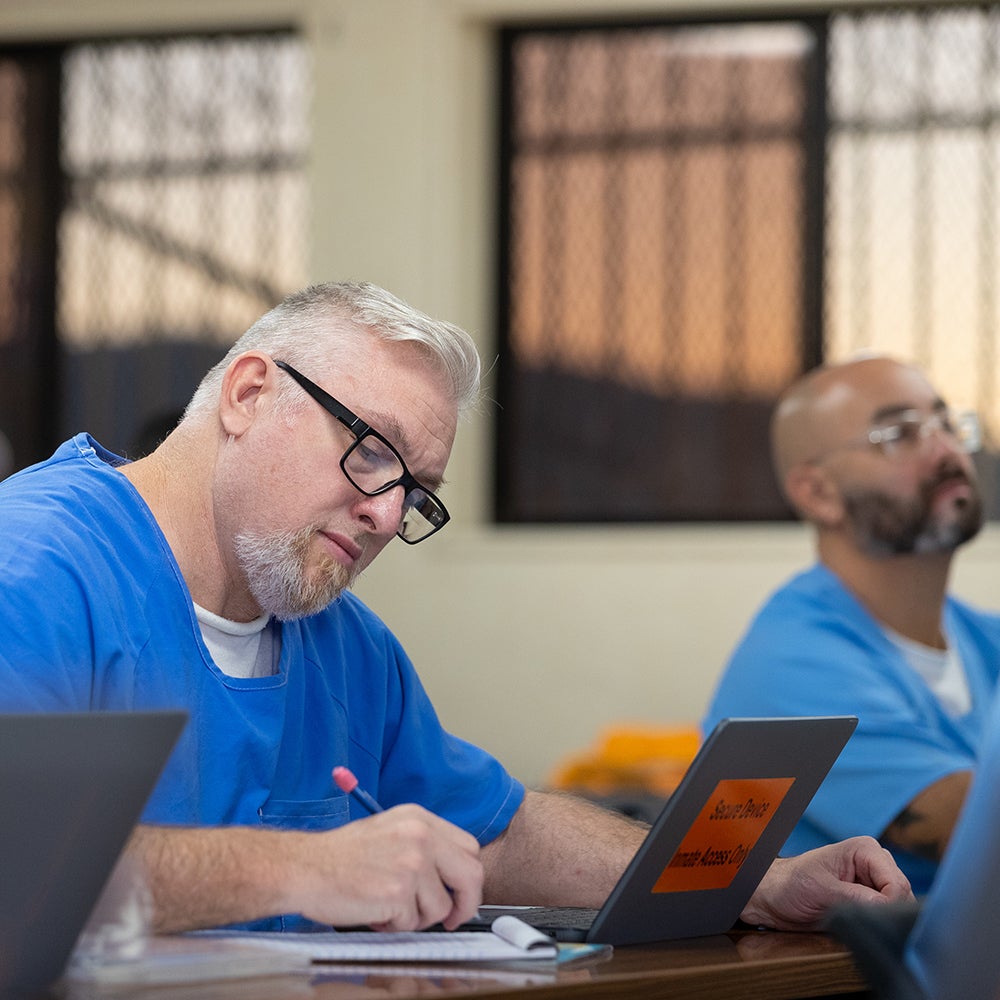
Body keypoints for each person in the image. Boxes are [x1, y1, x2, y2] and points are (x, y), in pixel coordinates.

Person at [0, 283, 910, 935]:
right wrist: (306, 868)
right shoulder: (39, 565)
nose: (389, 514)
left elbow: (500, 829)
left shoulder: (344, 646)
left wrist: (759, 879)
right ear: (247, 394)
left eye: (417, 493)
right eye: (371, 453)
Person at [704, 354, 1000, 896]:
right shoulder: (792, 662)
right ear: (818, 493)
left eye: (946, 423)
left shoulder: (987, 639)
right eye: (902, 432)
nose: (945, 448)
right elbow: (982, 836)